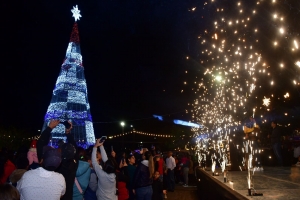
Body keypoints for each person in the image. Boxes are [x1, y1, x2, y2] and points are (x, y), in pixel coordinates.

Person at [37, 119, 79, 200]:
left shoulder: (51, 166)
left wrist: (49, 128)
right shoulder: (74, 165)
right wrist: (68, 133)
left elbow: (40, 145)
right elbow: (76, 150)